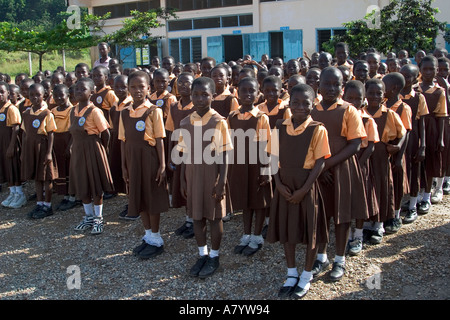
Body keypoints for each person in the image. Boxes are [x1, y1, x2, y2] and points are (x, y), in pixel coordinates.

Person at [267, 83, 330, 299]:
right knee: (287, 230)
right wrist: (277, 183)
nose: (300, 107)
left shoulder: (318, 129)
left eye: (306, 103)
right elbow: (272, 157)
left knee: (310, 231)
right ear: (289, 104)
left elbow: (320, 162)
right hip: (284, 185)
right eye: (296, 103)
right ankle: (291, 272)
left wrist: (304, 189)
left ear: (314, 105)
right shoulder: (279, 126)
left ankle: (306, 274)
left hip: (306, 186)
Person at [309, 67, 368, 282]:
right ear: (319, 85)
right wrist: (319, 168)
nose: (332, 88)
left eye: (337, 84)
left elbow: (354, 144)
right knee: (322, 215)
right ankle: (322, 256)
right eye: (327, 84)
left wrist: (327, 165)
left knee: (341, 216)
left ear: (343, 87)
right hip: (317, 171)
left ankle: (340, 259)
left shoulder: (349, 110)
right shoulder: (311, 109)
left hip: (341, 168)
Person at [178, 77, 233, 278]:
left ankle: (215, 256)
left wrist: (222, 181)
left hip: (212, 175)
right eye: (196, 95)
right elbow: (183, 154)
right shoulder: (185, 121)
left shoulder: (218, 122)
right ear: (191, 96)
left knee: (214, 216)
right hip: (193, 174)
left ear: (213, 96)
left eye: (205, 95)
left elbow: (225, 153)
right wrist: (184, 179)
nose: (200, 99)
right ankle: (202, 253)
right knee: (197, 216)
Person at [119, 71, 169, 259]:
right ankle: (148, 235)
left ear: (149, 88)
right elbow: (123, 141)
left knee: (151, 198)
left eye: (141, 87)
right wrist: (124, 166)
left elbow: (159, 139)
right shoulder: (125, 112)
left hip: (149, 159)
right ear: (128, 89)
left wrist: (162, 165)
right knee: (139, 197)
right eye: (133, 87)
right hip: (133, 159)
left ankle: (156, 238)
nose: (137, 90)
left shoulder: (154, 111)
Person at [227, 77, 272, 256]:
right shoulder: (232, 117)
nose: (247, 94)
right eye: (243, 90)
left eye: (251, 91)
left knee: (259, 202)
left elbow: (268, 146)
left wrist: (266, 169)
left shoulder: (262, 118)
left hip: (257, 165)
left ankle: (257, 236)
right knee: (245, 201)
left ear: (258, 94)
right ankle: (246, 233)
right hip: (239, 164)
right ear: (237, 92)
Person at [363, 79, 406, 245]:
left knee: (381, 188)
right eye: (371, 93)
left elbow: (403, 133)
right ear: (365, 94)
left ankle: (379, 225)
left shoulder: (390, 114)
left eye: (378, 93)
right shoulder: (360, 113)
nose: (374, 96)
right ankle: (366, 223)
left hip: (381, 157)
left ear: (384, 95)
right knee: (366, 189)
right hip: (365, 157)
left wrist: (397, 147)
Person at [71, 78, 114, 235]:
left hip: (92, 149)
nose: (79, 92)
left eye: (83, 89)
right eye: (77, 89)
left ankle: (98, 217)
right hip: (78, 150)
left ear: (92, 92)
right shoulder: (73, 110)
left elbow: (106, 133)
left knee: (95, 183)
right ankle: (88, 216)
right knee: (83, 182)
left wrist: (102, 149)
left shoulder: (95, 111)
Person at [342, 80, 380, 256]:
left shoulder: (368, 120)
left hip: (360, 163)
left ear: (363, 100)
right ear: (343, 97)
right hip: (343, 163)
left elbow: (370, 146)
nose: (353, 102)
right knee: (345, 200)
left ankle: (357, 235)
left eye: (357, 99)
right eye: (350, 98)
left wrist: (359, 164)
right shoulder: (340, 116)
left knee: (359, 201)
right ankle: (346, 233)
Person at [166, 73, 197, 238]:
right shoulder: (173, 107)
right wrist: (171, 153)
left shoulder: (197, 106)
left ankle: (196, 220)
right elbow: (171, 131)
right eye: (181, 83)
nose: (184, 85)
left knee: (192, 185)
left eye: (188, 83)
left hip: (195, 151)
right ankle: (188, 219)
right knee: (182, 185)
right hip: (179, 149)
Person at [21, 83, 58, 218]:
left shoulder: (47, 113)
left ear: (44, 96)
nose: (35, 98)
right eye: (32, 95)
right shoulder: (26, 113)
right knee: (37, 178)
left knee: (46, 177)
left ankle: (47, 206)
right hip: (31, 149)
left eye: (38, 95)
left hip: (43, 148)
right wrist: (24, 151)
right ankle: (39, 203)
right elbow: (24, 133)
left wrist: (48, 152)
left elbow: (51, 133)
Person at [382, 72, 413, 234]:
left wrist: (399, 156)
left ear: (393, 89)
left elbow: (406, 132)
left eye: (384, 84)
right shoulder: (382, 103)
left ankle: (396, 215)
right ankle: (386, 214)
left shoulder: (403, 107)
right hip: (383, 149)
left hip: (396, 148)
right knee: (387, 184)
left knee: (397, 183)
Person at [416, 55, 447, 212]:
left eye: (431, 69)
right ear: (420, 70)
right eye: (425, 69)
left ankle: (427, 195)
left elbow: (442, 116)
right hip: (417, 128)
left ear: (436, 71)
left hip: (432, 128)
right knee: (418, 164)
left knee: (430, 163)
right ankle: (418, 194)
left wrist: (440, 138)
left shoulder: (439, 91)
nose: (428, 72)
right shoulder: (415, 89)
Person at [399, 64, 429, 223]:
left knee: (414, 171)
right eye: (402, 75)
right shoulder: (392, 96)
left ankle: (412, 206)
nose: (404, 79)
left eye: (408, 76)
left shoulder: (419, 97)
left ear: (416, 78)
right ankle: (399, 206)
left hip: (413, 138)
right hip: (398, 139)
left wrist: (422, 145)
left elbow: (422, 123)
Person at [51, 84, 79, 212]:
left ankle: (73, 197)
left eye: (61, 95)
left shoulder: (73, 110)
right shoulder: (53, 111)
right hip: (57, 142)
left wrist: (70, 145)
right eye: (56, 96)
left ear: (68, 95)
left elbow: (74, 130)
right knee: (61, 169)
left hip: (68, 141)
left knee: (70, 169)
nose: (59, 98)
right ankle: (65, 195)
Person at [110, 75, 133, 219]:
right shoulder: (114, 106)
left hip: (128, 142)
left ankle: (133, 202)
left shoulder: (131, 105)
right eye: (116, 87)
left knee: (130, 172)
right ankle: (129, 200)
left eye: (123, 87)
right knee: (122, 171)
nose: (120, 90)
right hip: (117, 142)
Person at [0, 81, 25, 209]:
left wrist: (11, 146)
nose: (0, 95)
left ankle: (20, 194)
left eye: (2, 92)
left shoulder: (11, 109)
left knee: (13, 167)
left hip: (10, 143)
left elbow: (15, 128)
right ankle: (12, 192)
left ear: (8, 93)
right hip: (2, 144)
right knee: (6, 168)